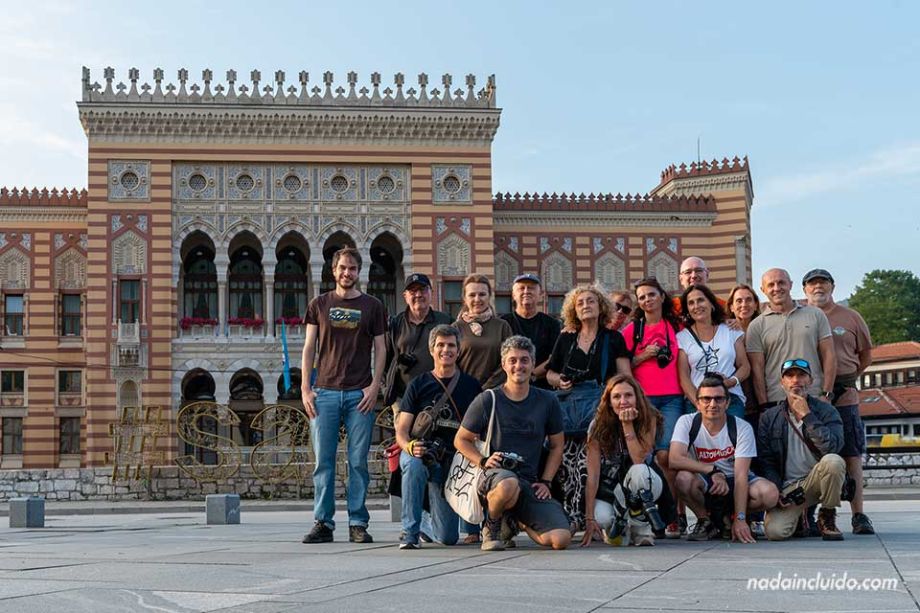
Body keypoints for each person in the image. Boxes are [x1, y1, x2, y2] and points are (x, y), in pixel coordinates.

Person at [301, 247, 386, 544]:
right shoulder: (319, 304)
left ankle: (358, 522)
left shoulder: (373, 306)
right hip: (324, 391)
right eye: (342, 268)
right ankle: (323, 522)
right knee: (323, 462)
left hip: (359, 394)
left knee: (358, 461)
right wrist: (305, 388)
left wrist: (375, 386)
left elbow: (381, 349)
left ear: (358, 272)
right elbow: (309, 347)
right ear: (333, 271)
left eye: (352, 268)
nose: (346, 273)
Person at [455, 335, 572, 551]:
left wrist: (546, 481)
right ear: (504, 364)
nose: (519, 365)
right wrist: (483, 461)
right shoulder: (488, 399)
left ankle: (516, 520)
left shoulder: (548, 401)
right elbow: (461, 439)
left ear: (533, 364)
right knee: (508, 484)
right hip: (494, 478)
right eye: (513, 360)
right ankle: (492, 526)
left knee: (561, 539)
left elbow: (557, 446)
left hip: (529, 481)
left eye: (524, 360)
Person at [546, 284, 631, 529]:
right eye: (580, 302)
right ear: (574, 308)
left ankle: (593, 516)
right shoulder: (565, 337)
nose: (585, 306)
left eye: (590, 301)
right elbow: (550, 372)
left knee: (593, 464)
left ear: (601, 306)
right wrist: (558, 381)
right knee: (567, 464)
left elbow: (625, 375)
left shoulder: (612, 337)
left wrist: (615, 395)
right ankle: (573, 518)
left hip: (600, 406)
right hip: (569, 408)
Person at [395, 325, 482, 549]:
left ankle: (425, 521)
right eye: (440, 345)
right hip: (421, 454)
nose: (446, 350)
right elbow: (402, 430)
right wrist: (410, 447)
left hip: (450, 463)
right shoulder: (418, 384)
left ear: (459, 350)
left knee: (447, 538)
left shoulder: (472, 386)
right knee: (413, 465)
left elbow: (479, 432)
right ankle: (410, 532)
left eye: (451, 345)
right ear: (432, 350)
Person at [802, 268, 874, 535]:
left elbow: (866, 354)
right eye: (812, 284)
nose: (818, 287)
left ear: (832, 286)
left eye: (823, 282)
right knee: (810, 450)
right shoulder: (802, 316)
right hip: (812, 391)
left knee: (851, 452)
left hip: (844, 393)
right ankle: (809, 513)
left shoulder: (851, 317)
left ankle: (859, 515)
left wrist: (848, 378)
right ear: (805, 290)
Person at [670, 374, 778, 542]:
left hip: (735, 479)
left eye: (719, 399)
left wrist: (740, 519)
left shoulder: (742, 427)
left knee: (769, 493)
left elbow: (742, 476)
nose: (712, 404)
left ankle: (731, 517)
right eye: (706, 399)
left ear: (727, 403)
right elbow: (674, 459)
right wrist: (713, 470)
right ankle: (705, 521)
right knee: (682, 479)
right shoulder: (687, 422)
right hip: (707, 481)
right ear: (697, 403)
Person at [621, 277, 684, 538]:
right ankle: (647, 513)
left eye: (651, 295)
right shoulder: (631, 331)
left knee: (665, 456)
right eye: (642, 296)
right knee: (643, 456)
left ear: (662, 296)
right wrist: (644, 355)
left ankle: (671, 516)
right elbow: (623, 367)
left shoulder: (677, 326)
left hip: (672, 398)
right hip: (644, 400)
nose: (647, 300)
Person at [757, 358, 846, 541]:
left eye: (801, 375)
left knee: (834, 461)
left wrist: (808, 416)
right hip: (790, 489)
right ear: (782, 382)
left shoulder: (827, 411)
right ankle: (799, 517)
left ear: (811, 381)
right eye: (789, 376)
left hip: (818, 480)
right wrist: (775, 489)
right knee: (775, 532)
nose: (795, 380)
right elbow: (766, 460)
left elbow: (832, 448)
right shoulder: (769, 417)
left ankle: (827, 515)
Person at [581, 374, 669, 547]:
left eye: (628, 395)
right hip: (611, 488)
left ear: (637, 397)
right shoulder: (597, 425)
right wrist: (589, 517)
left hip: (644, 483)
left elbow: (638, 459)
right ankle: (620, 524)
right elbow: (593, 475)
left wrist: (627, 425)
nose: (623, 401)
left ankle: (640, 528)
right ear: (608, 401)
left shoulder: (648, 418)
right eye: (616, 396)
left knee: (640, 472)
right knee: (602, 519)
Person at [746, 268, 836, 411]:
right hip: (777, 400)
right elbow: (757, 370)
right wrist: (764, 405)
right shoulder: (756, 326)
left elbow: (829, 355)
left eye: (781, 283)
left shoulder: (815, 315)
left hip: (814, 396)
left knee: (818, 434)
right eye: (771, 285)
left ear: (790, 284)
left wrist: (826, 393)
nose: (777, 288)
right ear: (763, 290)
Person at [677, 284, 750, 419]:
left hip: (730, 398)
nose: (696, 306)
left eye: (701, 300)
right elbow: (684, 376)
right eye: (691, 303)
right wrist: (699, 404)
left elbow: (744, 366)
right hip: (697, 400)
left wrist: (729, 382)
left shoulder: (730, 330)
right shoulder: (682, 337)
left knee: (732, 439)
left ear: (711, 304)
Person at [383, 273, 452, 412]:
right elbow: (385, 361)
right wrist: (392, 397)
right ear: (405, 296)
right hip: (403, 399)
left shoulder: (445, 321)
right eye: (413, 291)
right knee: (403, 434)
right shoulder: (395, 324)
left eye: (423, 290)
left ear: (431, 293)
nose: (418, 295)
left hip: (438, 398)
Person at [501, 273, 561, 390]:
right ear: (513, 295)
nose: (526, 291)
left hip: (542, 388)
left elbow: (555, 357)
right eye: (521, 288)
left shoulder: (552, 324)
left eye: (531, 288)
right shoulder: (503, 323)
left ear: (541, 295)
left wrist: (531, 374)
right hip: (509, 387)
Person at [454, 273, 513, 390]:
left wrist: (487, 387)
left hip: (496, 392)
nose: (477, 299)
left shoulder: (502, 326)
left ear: (489, 296)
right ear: (465, 298)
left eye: (482, 294)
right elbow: (450, 362)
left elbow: (509, 360)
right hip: (463, 391)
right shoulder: (456, 328)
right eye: (472, 295)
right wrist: (466, 386)